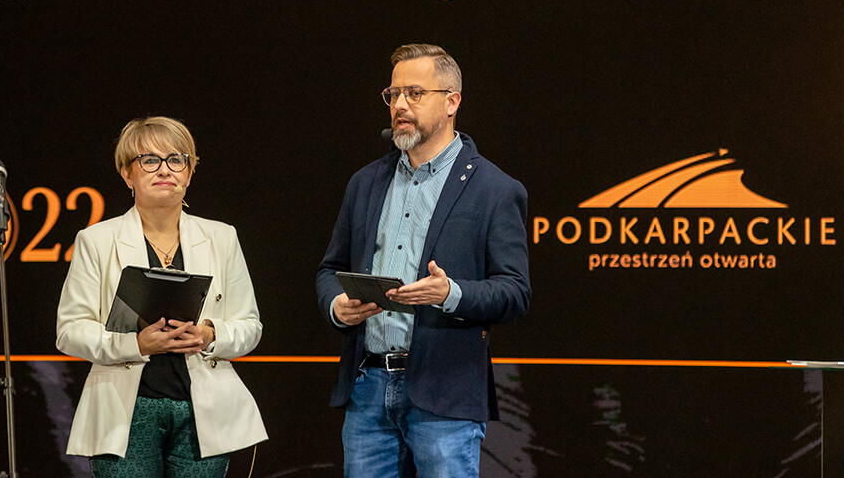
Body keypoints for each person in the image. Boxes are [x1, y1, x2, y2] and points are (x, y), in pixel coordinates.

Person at [316, 44, 531, 478]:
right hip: (368, 388)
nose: (400, 105)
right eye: (393, 94)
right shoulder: (365, 183)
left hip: (445, 394)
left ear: (452, 102)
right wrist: (338, 305)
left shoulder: (494, 189)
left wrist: (450, 293)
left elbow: (514, 292)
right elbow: (329, 270)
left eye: (415, 93)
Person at [57, 116, 267, 477]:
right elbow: (70, 332)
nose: (165, 170)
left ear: (189, 172)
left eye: (176, 160)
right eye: (150, 160)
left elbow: (250, 326)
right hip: (125, 412)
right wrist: (136, 344)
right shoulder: (97, 240)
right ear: (128, 174)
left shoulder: (221, 237)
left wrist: (209, 334)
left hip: (203, 414)